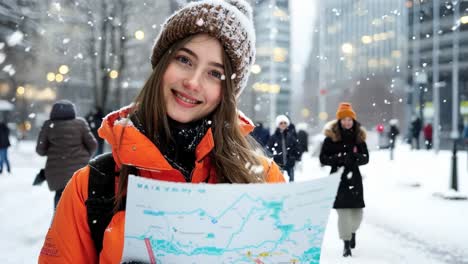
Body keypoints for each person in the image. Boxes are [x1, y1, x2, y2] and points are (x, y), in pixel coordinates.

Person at [38, 1, 285, 263]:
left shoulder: (262, 181)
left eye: (215, 73)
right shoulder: (90, 187)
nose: (192, 82)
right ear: (162, 63)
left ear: (228, 94)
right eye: (184, 59)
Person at [319, 102, 369, 257]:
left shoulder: (359, 138)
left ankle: (352, 232)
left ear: (353, 121)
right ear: (339, 121)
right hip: (338, 179)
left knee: (357, 213)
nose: (347, 122)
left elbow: (366, 158)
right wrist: (338, 158)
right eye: (344, 119)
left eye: (350, 119)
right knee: (343, 213)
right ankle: (346, 244)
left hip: (354, 178)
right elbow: (323, 158)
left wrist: (355, 157)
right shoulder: (331, 139)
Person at [36, 100, 97, 210]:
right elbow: (93, 145)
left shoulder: (49, 125)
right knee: (80, 201)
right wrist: (86, 156)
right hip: (79, 171)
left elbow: (40, 150)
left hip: (56, 173)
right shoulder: (80, 123)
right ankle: (79, 225)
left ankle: (59, 224)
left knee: (60, 203)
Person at [267, 115, 300, 182]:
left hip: (290, 162)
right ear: (278, 125)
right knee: (279, 181)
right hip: (278, 163)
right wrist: (273, 155)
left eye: (285, 123)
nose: (283, 125)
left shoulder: (291, 136)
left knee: (291, 181)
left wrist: (294, 156)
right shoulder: (274, 137)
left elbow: (296, 147)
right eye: (281, 123)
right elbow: (269, 148)